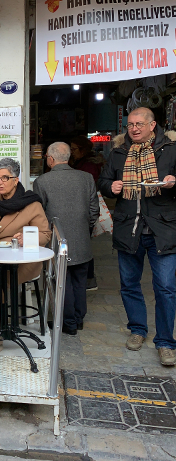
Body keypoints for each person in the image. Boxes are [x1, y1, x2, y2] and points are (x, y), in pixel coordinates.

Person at [98, 107, 176, 366]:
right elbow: (103, 181)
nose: (134, 128)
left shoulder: (170, 149)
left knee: (165, 288)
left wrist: (173, 182)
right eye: (130, 124)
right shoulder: (118, 153)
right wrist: (112, 186)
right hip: (129, 227)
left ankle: (165, 342)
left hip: (161, 229)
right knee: (129, 284)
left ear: (153, 125)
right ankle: (138, 330)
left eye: (140, 124)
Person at [0, 157, 51, 346]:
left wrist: (26, 238)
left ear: (16, 180)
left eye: (5, 178)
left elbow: (45, 234)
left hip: (24, 261)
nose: (0, 182)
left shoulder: (30, 203)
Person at [33, 142, 99, 335]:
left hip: (57, 239)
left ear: (51, 159)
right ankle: (78, 319)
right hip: (82, 239)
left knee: (62, 280)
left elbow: (40, 214)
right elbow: (94, 210)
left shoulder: (42, 181)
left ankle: (69, 323)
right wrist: (84, 229)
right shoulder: (86, 178)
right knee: (79, 280)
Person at [70, 135, 104, 291]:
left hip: (84, 207)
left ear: (83, 150)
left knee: (83, 245)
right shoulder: (80, 163)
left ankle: (89, 279)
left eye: (74, 149)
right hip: (83, 207)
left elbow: (85, 188)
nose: (71, 152)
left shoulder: (88, 166)